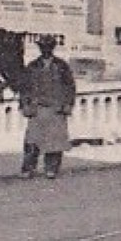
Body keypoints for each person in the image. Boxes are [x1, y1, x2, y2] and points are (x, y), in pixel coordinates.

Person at [19, 35, 77, 180]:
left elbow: (70, 87)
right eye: (43, 47)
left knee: (55, 142)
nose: (45, 50)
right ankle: (28, 168)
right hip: (37, 107)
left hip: (56, 108)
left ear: (52, 48)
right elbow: (24, 88)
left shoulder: (61, 66)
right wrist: (24, 105)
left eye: (48, 47)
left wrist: (68, 104)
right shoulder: (32, 66)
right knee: (32, 141)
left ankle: (51, 168)